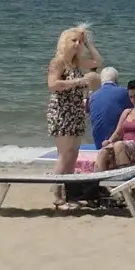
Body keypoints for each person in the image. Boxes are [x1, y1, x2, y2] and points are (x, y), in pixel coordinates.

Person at [46, 24, 103, 177]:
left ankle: (69, 192)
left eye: (79, 41)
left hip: (76, 112)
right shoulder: (58, 62)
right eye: (74, 41)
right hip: (62, 112)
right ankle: (57, 193)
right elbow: (52, 85)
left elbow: (97, 62)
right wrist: (79, 81)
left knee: (73, 155)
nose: (77, 44)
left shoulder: (76, 63)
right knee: (65, 155)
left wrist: (89, 43)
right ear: (65, 42)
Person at [86, 65, 129, 152]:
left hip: (98, 143)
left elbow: (88, 112)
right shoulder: (125, 92)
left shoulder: (92, 96)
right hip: (116, 143)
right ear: (116, 80)